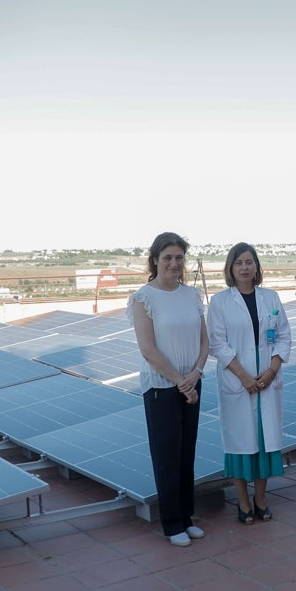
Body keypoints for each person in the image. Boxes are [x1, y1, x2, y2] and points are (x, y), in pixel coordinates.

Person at [128, 232, 210, 547]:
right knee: (166, 456)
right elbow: (148, 349)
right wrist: (180, 381)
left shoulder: (191, 295)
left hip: (192, 382)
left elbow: (204, 341)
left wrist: (196, 374)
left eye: (178, 258)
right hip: (162, 387)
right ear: (156, 260)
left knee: (186, 453)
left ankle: (187, 516)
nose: (174, 264)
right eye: (167, 258)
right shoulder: (143, 298)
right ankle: (171, 522)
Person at [208, 243, 291, 525]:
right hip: (237, 382)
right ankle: (243, 501)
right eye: (239, 262)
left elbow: (284, 336)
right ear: (231, 268)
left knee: (265, 441)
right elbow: (217, 344)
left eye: (249, 262)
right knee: (241, 442)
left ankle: (261, 498)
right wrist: (243, 376)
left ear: (257, 267)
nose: (245, 267)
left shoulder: (271, 298)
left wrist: (271, 371)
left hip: (267, 380)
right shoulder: (220, 302)